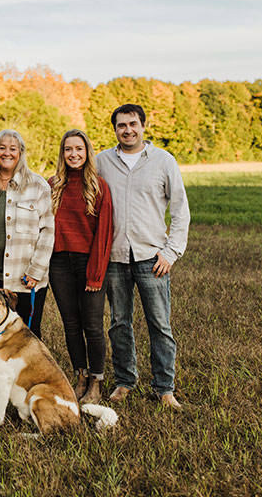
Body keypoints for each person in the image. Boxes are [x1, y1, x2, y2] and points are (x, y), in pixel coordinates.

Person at [97, 103, 190, 410]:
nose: (128, 130)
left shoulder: (163, 161)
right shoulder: (102, 162)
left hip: (153, 258)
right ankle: (125, 381)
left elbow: (180, 211)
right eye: (121, 125)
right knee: (119, 323)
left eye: (133, 124)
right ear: (115, 130)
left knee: (159, 324)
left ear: (143, 126)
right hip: (115, 257)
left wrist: (171, 252)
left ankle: (165, 388)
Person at [48, 129, 113, 405]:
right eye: (68, 150)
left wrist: (96, 274)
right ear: (62, 154)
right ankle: (81, 376)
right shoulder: (53, 185)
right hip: (59, 263)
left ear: (87, 152)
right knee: (71, 325)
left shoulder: (98, 186)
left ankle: (97, 381)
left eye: (79, 149)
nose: (73, 154)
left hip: (89, 262)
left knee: (93, 327)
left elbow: (105, 232)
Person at [0, 129, 54, 339]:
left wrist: (35, 271)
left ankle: (30, 373)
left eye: (13, 149)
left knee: (26, 334)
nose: (7, 153)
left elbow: (48, 231)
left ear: (20, 153)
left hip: (25, 276)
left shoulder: (38, 185)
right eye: (2, 148)